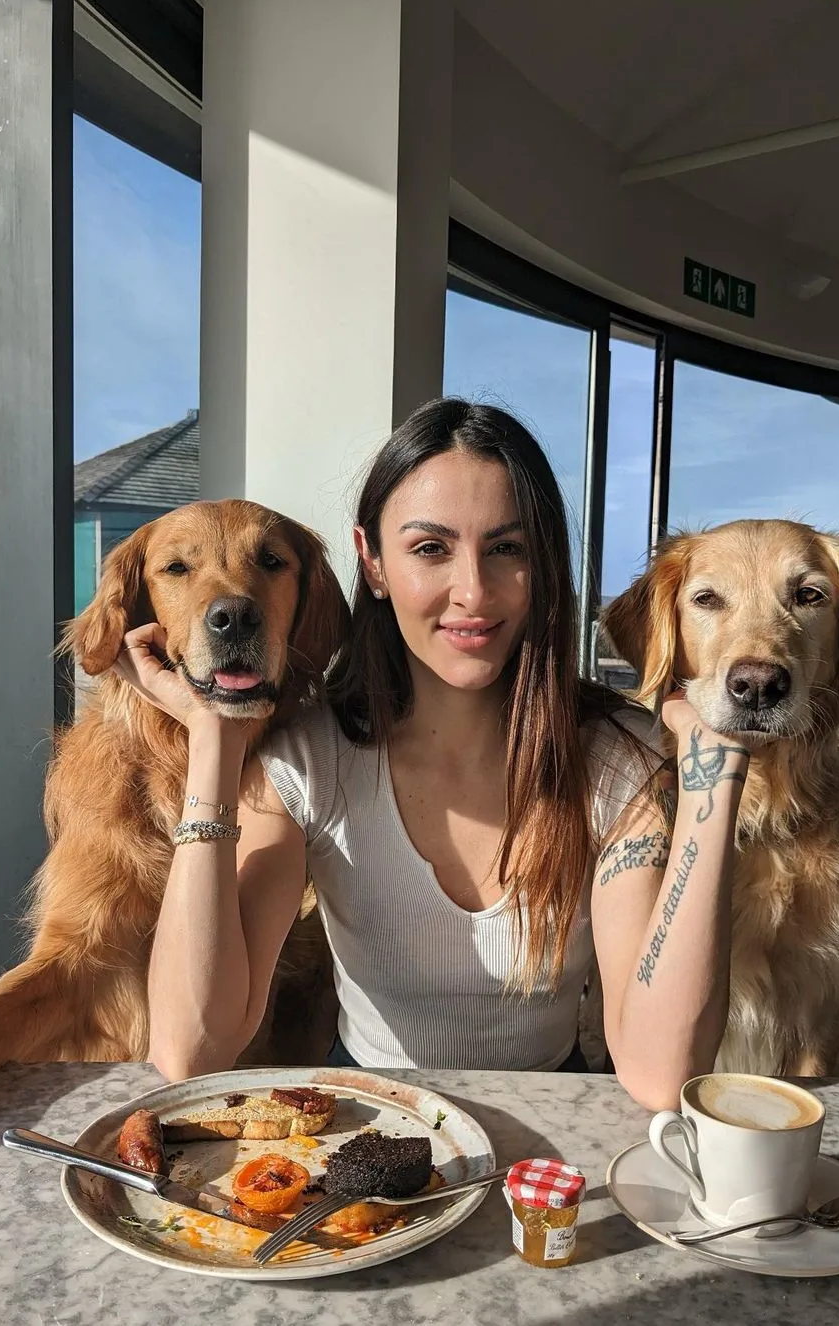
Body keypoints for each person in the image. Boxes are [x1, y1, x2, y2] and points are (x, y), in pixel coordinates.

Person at [119, 399, 747, 1111]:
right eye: (430, 549)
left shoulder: (615, 762)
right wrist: (213, 741)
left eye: (507, 549)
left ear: (542, 564)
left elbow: (662, 1075)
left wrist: (713, 773)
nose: (473, 593)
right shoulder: (310, 763)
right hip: (364, 1129)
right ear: (374, 563)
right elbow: (190, 1046)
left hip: (551, 1145)